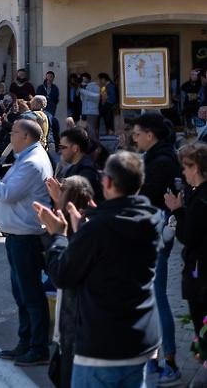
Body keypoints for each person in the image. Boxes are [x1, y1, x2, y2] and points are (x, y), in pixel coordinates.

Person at [34, 151, 162, 388]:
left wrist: (59, 237)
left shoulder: (98, 229)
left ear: (108, 182)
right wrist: (82, 227)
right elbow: (114, 254)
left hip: (101, 346)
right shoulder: (151, 219)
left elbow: (62, 274)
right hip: (141, 340)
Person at [0, 118, 53, 366]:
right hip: (17, 236)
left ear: (27, 137)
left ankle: (38, 347)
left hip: (26, 237)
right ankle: (26, 341)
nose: (10, 137)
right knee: (22, 294)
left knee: (30, 294)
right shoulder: (27, 157)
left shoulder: (31, 161)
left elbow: (6, 194)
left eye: (15, 133)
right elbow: (10, 189)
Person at [132, 112, 181, 382]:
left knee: (158, 298)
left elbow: (145, 197)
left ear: (151, 134)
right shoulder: (158, 156)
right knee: (151, 299)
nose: (134, 137)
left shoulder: (161, 160)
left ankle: (170, 362)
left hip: (156, 237)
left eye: (137, 133)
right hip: (152, 235)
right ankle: (154, 359)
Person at [44, 174, 96, 388]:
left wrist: (56, 236)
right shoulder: (78, 225)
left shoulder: (83, 231)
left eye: (62, 189)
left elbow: (61, 272)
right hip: (69, 329)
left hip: (78, 330)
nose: (57, 189)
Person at [164, 142, 207, 367]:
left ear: (197, 168)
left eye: (187, 167)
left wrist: (177, 210)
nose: (183, 171)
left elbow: (189, 236)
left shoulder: (201, 200)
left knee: (203, 326)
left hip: (201, 277)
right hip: (199, 274)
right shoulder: (197, 193)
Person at [57, 128, 103, 204]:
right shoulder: (74, 167)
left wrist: (58, 194)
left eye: (63, 147)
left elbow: (78, 203)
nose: (60, 151)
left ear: (75, 148)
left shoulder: (87, 171)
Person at [98, 73, 118, 137]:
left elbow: (112, 97)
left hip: (109, 105)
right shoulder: (105, 86)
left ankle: (110, 131)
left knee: (108, 118)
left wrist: (105, 101)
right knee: (106, 118)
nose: (100, 81)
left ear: (104, 79)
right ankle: (108, 131)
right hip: (107, 104)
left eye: (100, 80)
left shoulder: (110, 85)